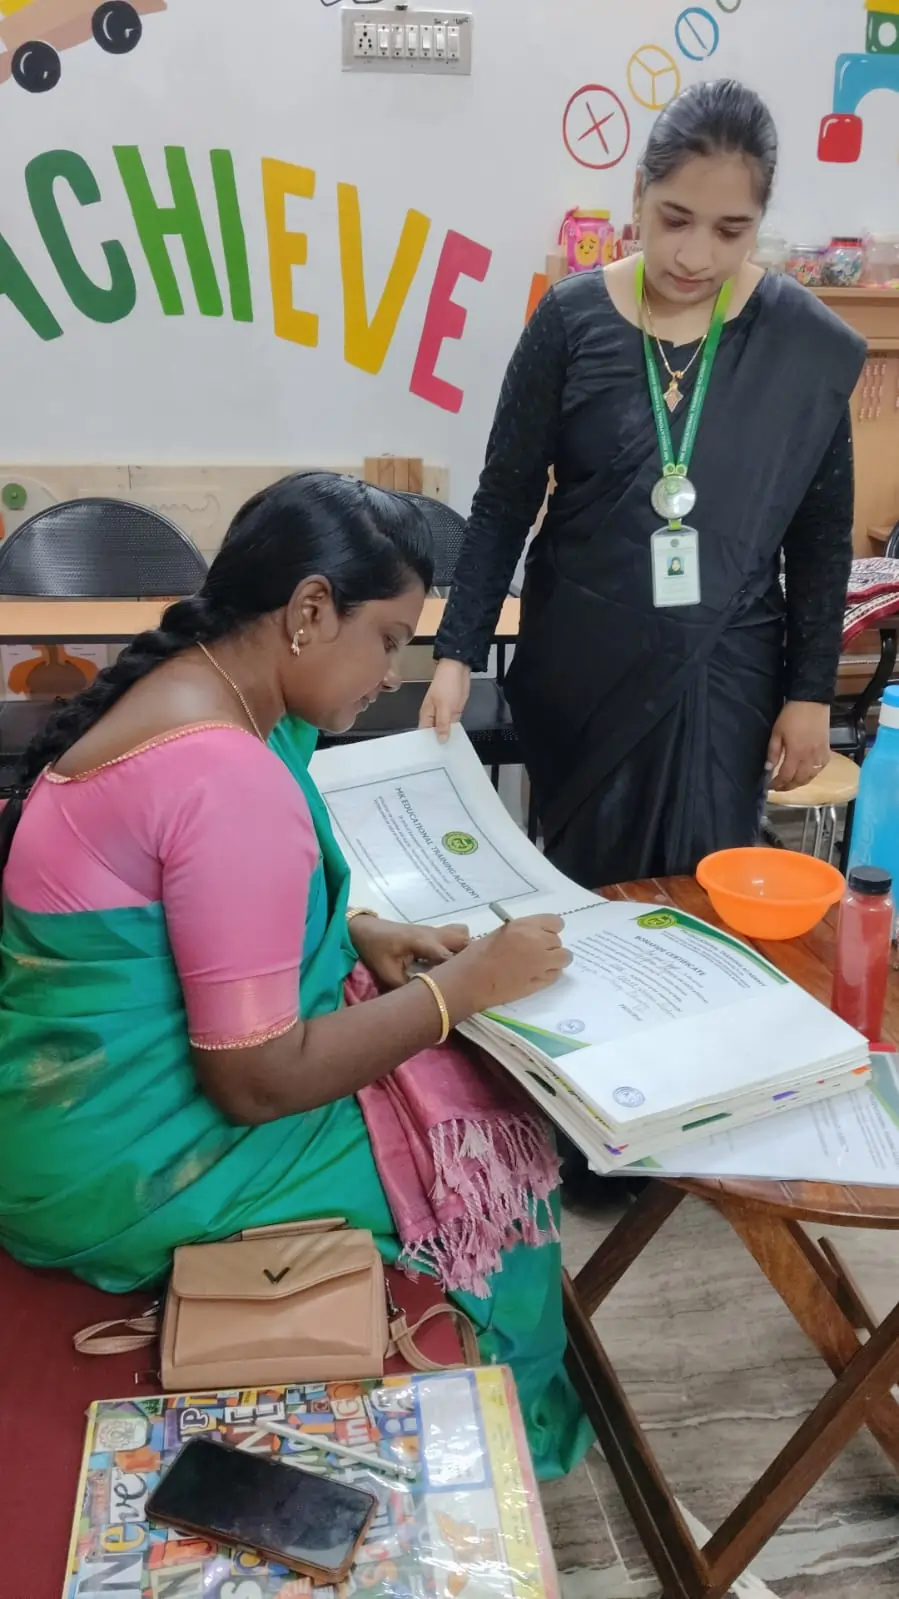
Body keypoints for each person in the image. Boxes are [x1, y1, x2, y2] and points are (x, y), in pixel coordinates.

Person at [0, 472, 591, 1480]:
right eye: (388, 640)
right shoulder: (225, 771)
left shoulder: (200, 690)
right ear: (310, 610)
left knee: (456, 1090)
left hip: (58, 1103)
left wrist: (356, 931)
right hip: (123, 1161)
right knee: (492, 1170)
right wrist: (460, 990)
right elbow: (256, 1079)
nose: (390, 674)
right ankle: (507, 1463)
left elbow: (181, 909)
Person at [421, 80, 866, 889]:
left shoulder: (799, 347)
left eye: (729, 230)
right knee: (586, 891)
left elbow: (818, 539)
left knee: (706, 886)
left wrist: (809, 692)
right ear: (637, 194)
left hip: (724, 667)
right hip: (581, 663)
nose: (694, 255)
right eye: (674, 219)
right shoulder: (569, 320)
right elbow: (504, 499)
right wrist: (457, 652)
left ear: (758, 223)